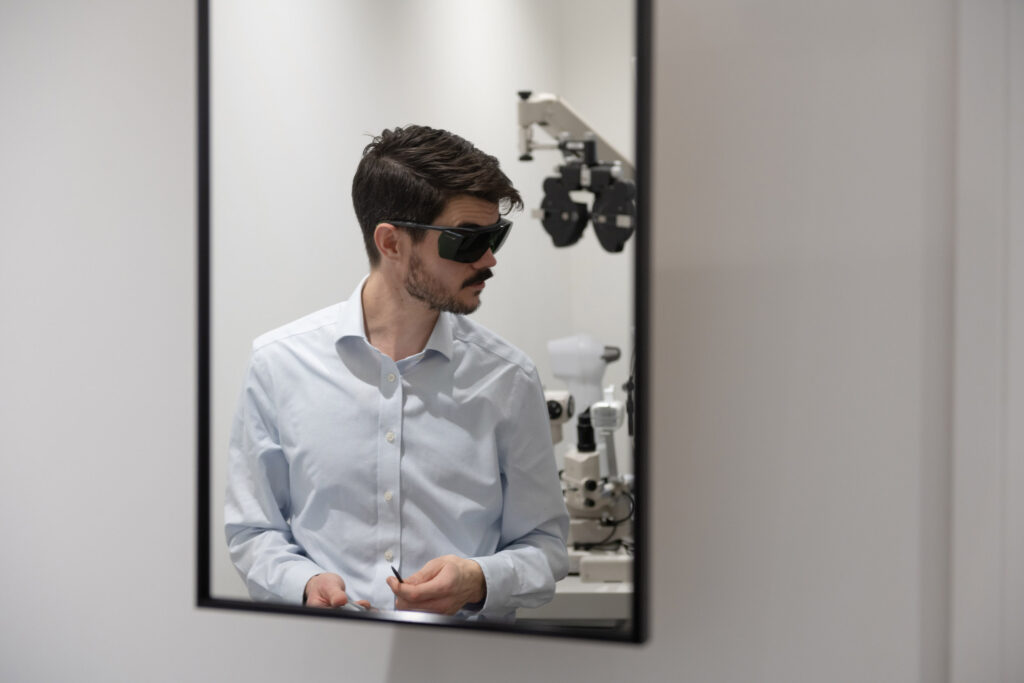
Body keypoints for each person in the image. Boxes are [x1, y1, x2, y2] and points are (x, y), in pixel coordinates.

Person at [225, 124, 569, 620]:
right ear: (391, 242)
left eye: (496, 236)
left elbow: (547, 545)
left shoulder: (509, 379)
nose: (490, 258)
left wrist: (479, 579)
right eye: (468, 240)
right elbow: (253, 531)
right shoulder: (279, 366)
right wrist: (303, 582)